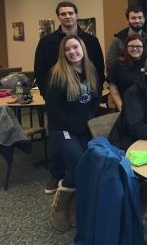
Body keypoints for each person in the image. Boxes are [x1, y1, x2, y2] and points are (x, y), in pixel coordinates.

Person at [45, 35, 100, 231]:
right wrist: (73, 125)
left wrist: (91, 122)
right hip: (63, 130)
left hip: (84, 130)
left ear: (82, 48)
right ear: (63, 53)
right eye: (67, 49)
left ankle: (79, 206)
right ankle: (60, 203)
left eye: (75, 47)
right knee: (80, 162)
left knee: (94, 161)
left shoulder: (90, 70)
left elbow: (94, 101)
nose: (72, 52)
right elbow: (52, 108)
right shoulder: (57, 73)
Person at [34, 1, 105, 98]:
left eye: (71, 13)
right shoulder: (46, 42)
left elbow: (99, 69)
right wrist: (46, 94)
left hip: (88, 95)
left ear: (76, 15)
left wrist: (98, 92)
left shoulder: (91, 41)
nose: (67, 16)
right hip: (58, 97)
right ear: (58, 17)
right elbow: (40, 71)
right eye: (63, 14)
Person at [108, 34, 147, 111]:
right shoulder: (117, 64)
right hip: (125, 106)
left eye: (139, 46)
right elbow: (113, 88)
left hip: (146, 108)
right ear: (126, 47)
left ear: (143, 48)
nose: (135, 49)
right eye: (131, 46)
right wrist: (121, 107)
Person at [106, 5, 147, 72]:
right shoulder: (117, 39)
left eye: (140, 17)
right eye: (133, 18)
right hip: (123, 78)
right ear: (127, 20)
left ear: (144, 19)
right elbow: (110, 64)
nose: (137, 21)